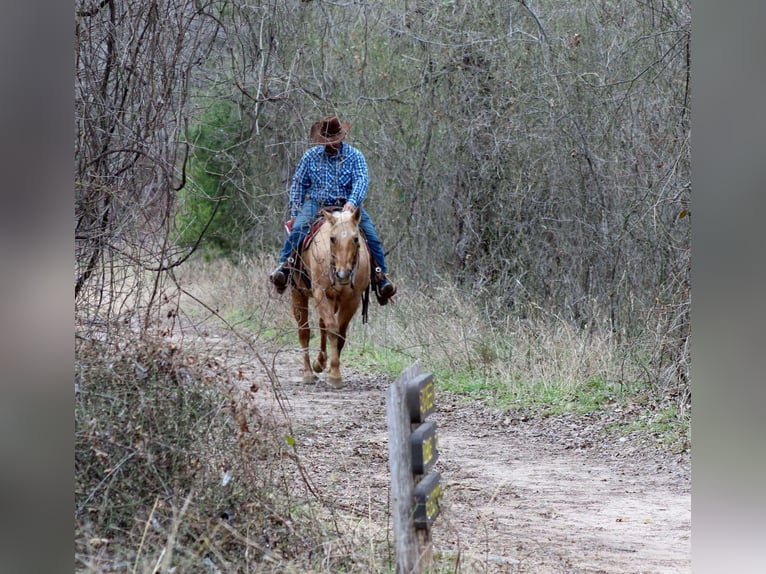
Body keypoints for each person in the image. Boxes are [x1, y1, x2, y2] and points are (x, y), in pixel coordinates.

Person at [270, 115, 397, 303]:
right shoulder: (310, 156)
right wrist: (295, 212)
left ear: (342, 137)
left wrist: (352, 203)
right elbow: (298, 184)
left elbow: (361, 181)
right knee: (298, 230)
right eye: (327, 141)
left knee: (371, 236)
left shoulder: (355, 156)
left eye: (335, 140)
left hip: (347, 204)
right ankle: (284, 267)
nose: (331, 144)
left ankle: (380, 277)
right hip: (317, 203)